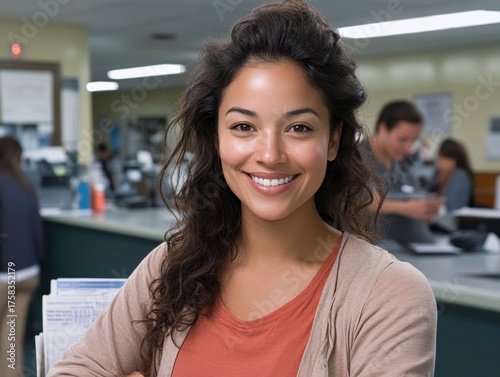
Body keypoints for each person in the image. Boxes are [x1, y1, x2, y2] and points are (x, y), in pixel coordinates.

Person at [49, 1, 437, 376]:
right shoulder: (172, 264)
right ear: (217, 139)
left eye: (299, 127)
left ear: (334, 140)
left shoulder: (387, 294)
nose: (269, 154)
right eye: (243, 127)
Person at [360, 100, 443, 246]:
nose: (409, 147)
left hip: (410, 252)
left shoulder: (402, 165)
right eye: (402, 139)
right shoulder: (357, 159)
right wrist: (407, 208)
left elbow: (415, 195)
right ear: (383, 128)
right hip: (371, 252)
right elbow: (366, 201)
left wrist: (426, 210)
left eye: (414, 140)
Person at [0, 136, 45, 377]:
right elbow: (37, 232)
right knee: (11, 335)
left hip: (3, 275)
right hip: (27, 273)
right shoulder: (25, 185)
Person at [429, 138, 474, 211]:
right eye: (440, 158)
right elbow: (429, 193)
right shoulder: (438, 174)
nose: (441, 163)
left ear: (455, 160)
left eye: (445, 158)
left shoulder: (460, 176)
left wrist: (438, 204)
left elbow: (454, 207)